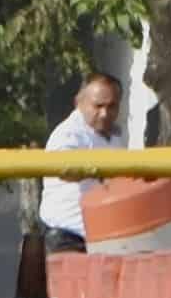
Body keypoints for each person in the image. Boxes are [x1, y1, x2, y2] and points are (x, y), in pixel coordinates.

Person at [38, 69, 122, 247]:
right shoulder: (68, 135)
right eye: (98, 106)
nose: (105, 113)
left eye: (112, 106)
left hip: (103, 237)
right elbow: (65, 170)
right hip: (68, 238)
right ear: (79, 103)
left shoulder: (115, 136)